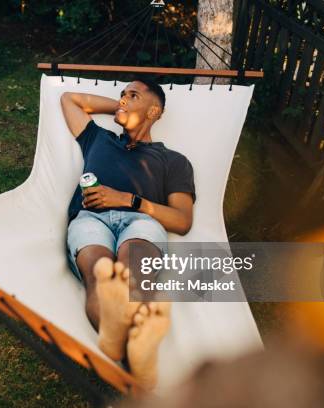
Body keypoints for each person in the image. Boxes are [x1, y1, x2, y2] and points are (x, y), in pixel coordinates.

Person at [60, 77, 196, 389]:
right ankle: (135, 363)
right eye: (121, 95)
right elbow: (70, 99)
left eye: (132, 95)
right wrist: (122, 108)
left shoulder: (173, 161)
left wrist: (129, 200)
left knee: (131, 276)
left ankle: (122, 356)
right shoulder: (99, 139)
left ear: (155, 112)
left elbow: (182, 220)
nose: (122, 99)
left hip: (141, 221)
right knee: (101, 275)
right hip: (90, 219)